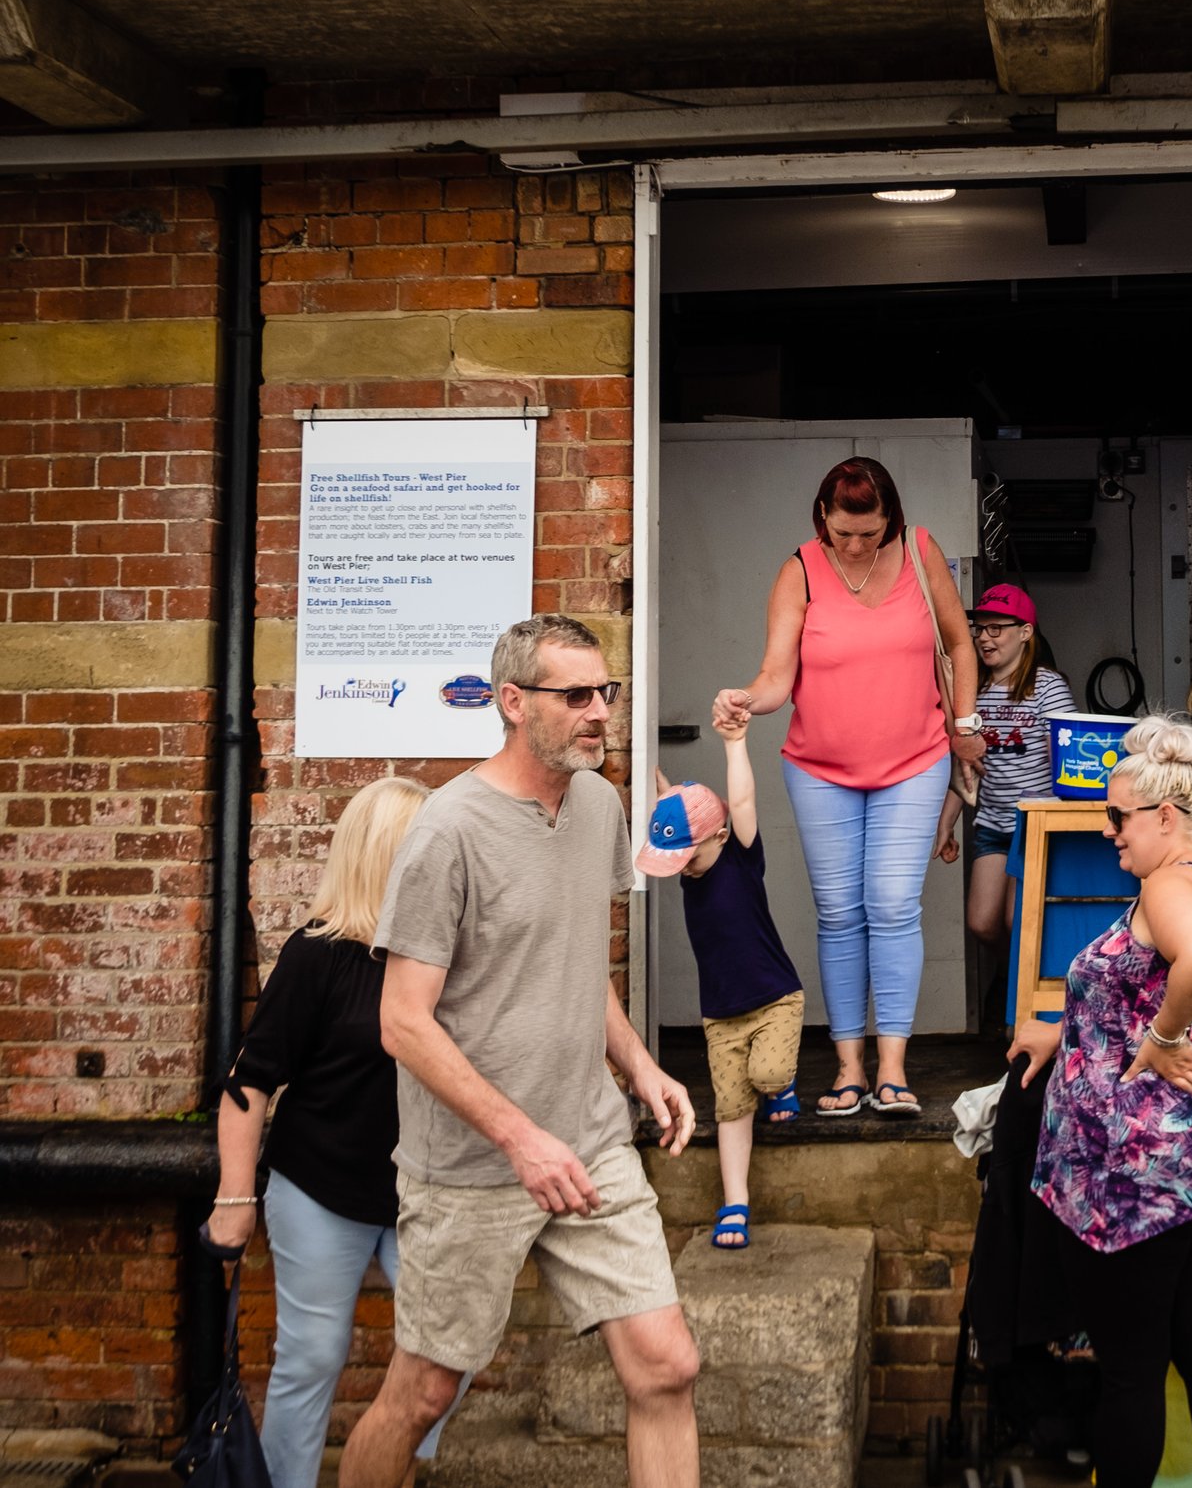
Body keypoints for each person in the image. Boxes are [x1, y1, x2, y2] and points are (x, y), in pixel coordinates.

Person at [342, 614, 700, 1488]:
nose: (599, 712)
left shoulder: (601, 804)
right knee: (423, 1391)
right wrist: (518, 1137)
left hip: (589, 1139)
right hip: (471, 1163)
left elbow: (576, 967)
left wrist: (640, 1066)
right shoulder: (447, 832)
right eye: (575, 695)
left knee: (666, 1364)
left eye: (604, 692)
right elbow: (403, 1020)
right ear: (511, 703)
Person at [1009, 716, 1192, 1488]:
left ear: (1163, 817)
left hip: (1135, 1176)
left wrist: (1159, 1035)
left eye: (1117, 815)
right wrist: (1074, 1030)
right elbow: (1152, 981)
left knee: (1129, 1373)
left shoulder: (1168, 883)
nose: (1107, 828)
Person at [207, 776, 468, 1488]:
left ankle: (394, 1472)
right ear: (386, 856)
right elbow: (249, 1080)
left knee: (449, 1353)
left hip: (422, 1190)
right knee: (313, 1355)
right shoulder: (317, 955)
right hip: (319, 1186)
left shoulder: (447, 961)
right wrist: (235, 1199)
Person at [715, 457, 982, 1119]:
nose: (856, 546)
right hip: (819, 770)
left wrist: (966, 722)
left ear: (890, 517)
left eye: (870, 533)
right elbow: (778, 672)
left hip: (915, 761)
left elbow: (961, 644)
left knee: (892, 905)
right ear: (823, 520)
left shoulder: (920, 551)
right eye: (844, 533)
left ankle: (893, 1068)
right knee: (839, 914)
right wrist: (748, 697)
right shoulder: (800, 568)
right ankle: (849, 1067)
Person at [637, 713, 806, 1252]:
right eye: (677, 861)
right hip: (720, 1016)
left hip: (776, 999)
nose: (683, 868)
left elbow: (744, 802)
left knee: (769, 1070)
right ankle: (735, 1202)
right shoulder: (689, 864)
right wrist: (658, 782)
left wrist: (735, 744)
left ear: (719, 835)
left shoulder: (739, 858)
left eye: (691, 855)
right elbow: (670, 815)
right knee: (730, 1110)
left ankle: (781, 1085)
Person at [935, 583, 1075, 946]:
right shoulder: (972, 690)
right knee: (982, 923)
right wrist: (945, 824)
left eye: (997, 628)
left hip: (1036, 822)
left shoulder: (1048, 687)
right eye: (979, 628)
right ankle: (1014, 975)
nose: (985, 638)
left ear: (1025, 632)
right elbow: (964, 767)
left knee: (1018, 919)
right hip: (992, 822)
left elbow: (1067, 762)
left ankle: (1023, 992)